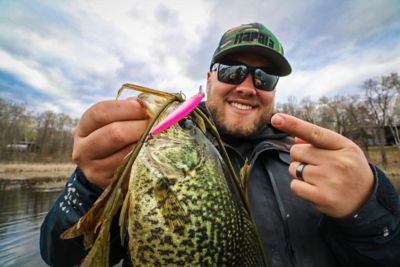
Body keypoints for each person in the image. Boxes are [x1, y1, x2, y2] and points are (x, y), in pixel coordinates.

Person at [40, 23, 400, 267]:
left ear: (274, 90)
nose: (247, 85)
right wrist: (88, 186)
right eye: (231, 70)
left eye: (264, 76)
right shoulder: (151, 154)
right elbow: (59, 255)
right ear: (209, 77)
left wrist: (367, 206)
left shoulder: (318, 162)